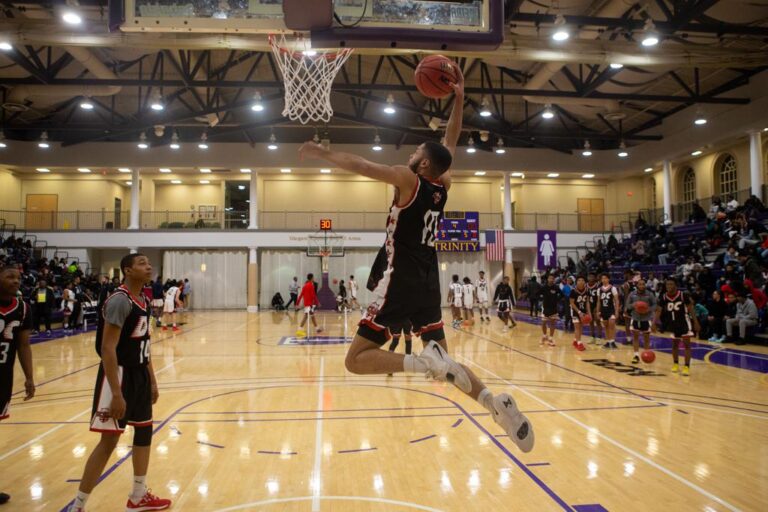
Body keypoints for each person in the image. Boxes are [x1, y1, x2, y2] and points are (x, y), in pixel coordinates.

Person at [298, 69, 534, 452]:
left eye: (415, 155)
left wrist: (324, 153)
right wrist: (459, 99)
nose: (410, 156)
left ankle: (423, 364)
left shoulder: (406, 180)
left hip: (404, 276)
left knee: (355, 360)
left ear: (423, 166)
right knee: (447, 361)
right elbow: (450, 140)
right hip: (428, 277)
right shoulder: (443, 185)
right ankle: (494, 402)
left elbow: (362, 165)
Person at [67, 254, 171, 512]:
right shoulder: (119, 300)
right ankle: (78, 505)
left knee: (145, 431)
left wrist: (153, 381)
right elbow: (108, 348)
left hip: (140, 375)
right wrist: (115, 393)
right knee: (109, 441)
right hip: (119, 376)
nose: (149, 266)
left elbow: (144, 346)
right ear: (128, 270)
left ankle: (138, 495)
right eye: (142, 263)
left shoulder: (144, 299)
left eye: (149, 263)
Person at [0, 264, 36, 506]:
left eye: (18, 278)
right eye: (9, 276)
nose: (16, 281)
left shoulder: (22, 308)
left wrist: (30, 377)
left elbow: (23, 345)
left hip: (3, 378)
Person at [656, 277, 698, 376]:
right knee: (675, 345)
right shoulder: (664, 297)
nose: (668, 286)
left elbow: (691, 309)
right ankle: (675, 364)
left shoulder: (683, 296)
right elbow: (659, 310)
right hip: (673, 323)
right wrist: (654, 323)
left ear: (675, 285)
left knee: (687, 345)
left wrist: (696, 322)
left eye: (671, 284)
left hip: (684, 322)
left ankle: (686, 366)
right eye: (667, 284)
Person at [625, 279, 657, 364]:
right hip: (635, 318)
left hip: (646, 319)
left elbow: (655, 305)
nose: (642, 286)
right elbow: (627, 305)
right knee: (635, 337)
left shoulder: (649, 294)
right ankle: (636, 355)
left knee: (646, 338)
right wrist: (634, 305)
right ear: (637, 285)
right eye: (640, 284)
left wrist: (648, 309)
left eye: (643, 284)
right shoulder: (632, 294)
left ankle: (646, 355)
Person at [538, 274, 562, 347]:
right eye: (550, 278)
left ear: (554, 280)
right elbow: (538, 293)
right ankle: (544, 336)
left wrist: (557, 300)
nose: (551, 279)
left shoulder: (556, 287)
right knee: (544, 322)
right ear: (547, 279)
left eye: (552, 278)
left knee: (552, 323)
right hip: (545, 307)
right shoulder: (544, 287)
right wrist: (542, 299)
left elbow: (562, 295)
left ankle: (551, 338)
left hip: (553, 308)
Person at [596, 273, 620, 349]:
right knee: (606, 326)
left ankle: (613, 341)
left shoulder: (613, 288)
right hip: (603, 310)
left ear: (608, 279)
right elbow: (599, 301)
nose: (604, 280)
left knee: (611, 325)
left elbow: (616, 300)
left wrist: (617, 311)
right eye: (602, 278)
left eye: (605, 278)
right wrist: (597, 311)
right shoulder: (599, 289)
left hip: (611, 309)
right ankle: (608, 341)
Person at [569, 275, 590, 351]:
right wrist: (579, 312)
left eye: (582, 280)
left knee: (580, 327)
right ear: (576, 282)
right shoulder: (573, 291)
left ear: (585, 282)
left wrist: (588, 312)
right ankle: (579, 343)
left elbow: (587, 302)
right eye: (579, 280)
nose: (581, 282)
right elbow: (572, 303)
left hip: (583, 311)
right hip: (575, 311)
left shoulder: (587, 290)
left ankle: (575, 341)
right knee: (577, 327)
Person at [587, 272, 602, 343]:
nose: (590, 278)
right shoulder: (585, 286)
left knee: (598, 321)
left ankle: (599, 337)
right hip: (588, 306)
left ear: (595, 278)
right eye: (589, 276)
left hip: (596, 306)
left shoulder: (598, 286)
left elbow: (600, 298)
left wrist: (597, 307)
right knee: (590, 322)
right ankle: (592, 337)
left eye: (592, 277)